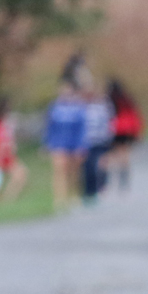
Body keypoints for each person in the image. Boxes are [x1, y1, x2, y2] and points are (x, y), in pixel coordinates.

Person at [43, 79, 87, 210]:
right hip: (58, 144)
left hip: (74, 144)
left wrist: (82, 145)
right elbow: (49, 127)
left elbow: (82, 129)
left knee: (74, 172)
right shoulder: (54, 107)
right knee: (59, 171)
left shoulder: (78, 108)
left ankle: (74, 196)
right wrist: (46, 143)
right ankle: (59, 200)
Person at [79, 75, 114, 203]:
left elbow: (109, 123)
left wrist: (109, 140)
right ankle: (87, 192)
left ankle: (100, 188)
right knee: (87, 167)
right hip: (85, 142)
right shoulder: (80, 106)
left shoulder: (102, 105)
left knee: (99, 165)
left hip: (100, 141)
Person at [106, 80, 143, 191]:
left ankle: (110, 178)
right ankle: (123, 178)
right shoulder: (127, 100)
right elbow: (134, 115)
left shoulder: (110, 100)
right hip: (127, 129)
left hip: (115, 128)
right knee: (125, 154)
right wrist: (137, 132)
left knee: (113, 154)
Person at [0, 96, 28, 202]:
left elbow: (8, 141)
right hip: (1, 157)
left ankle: (7, 200)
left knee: (21, 174)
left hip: (8, 157)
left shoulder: (6, 125)